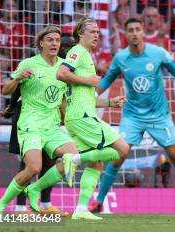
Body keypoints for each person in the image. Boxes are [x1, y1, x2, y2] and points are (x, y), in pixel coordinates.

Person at [89, 18, 175, 214]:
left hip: (159, 116)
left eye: (138, 29)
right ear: (125, 34)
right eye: (130, 30)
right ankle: (99, 202)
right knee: (118, 155)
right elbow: (105, 83)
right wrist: (87, 95)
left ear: (143, 32)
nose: (135, 33)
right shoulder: (120, 58)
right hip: (132, 116)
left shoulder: (158, 53)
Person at [0, 27, 79, 217]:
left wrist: (109, 103)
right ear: (41, 43)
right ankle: (1, 205)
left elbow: (66, 101)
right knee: (33, 167)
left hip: (52, 126)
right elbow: (6, 90)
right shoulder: (28, 63)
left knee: (73, 158)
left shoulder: (65, 68)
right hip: (30, 125)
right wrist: (18, 78)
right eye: (50, 40)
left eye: (57, 40)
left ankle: (35, 190)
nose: (54, 43)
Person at [52, 17, 129, 220]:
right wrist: (87, 80)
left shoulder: (85, 55)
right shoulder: (77, 52)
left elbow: (87, 97)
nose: (96, 35)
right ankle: (74, 158)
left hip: (79, 114)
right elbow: (61, 73)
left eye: (98, 32)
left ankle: (80, 209)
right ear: (80, 34)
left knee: (96, 164)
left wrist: (111, 103)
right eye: (92, 31)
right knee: (122, 149)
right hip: (81, 116)